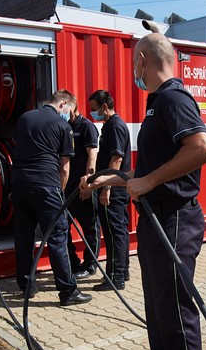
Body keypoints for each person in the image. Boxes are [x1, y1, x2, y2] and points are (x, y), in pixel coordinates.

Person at [83, 32, 206, 350]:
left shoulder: (174, 99)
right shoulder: (157, 103)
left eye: (132, 63)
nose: (132, 71)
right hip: (157, 220)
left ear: (142, 60)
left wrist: (150, 180)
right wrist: (115, 178)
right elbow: (147, 175)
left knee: (176, 312)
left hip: (175, 221)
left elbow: (202, 149)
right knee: (157, 310)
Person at [11, 90, 92, 307]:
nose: (70, 114)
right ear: (63, 103)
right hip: (46, 185)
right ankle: (68, 291)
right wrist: (61, 193)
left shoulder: (25, 118)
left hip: (19, 184)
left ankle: (27, 285)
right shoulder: (63, 126)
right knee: (58, 236)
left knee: (24, 236)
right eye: (70, 110)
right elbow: (64, 167)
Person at [88, 89, 132, 290]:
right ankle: (123, 271)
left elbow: (116, 159)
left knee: (114, 233)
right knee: (119, 230)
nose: (92, 114)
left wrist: (106, 188)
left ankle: (115, 277)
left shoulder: (115, 126)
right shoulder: (110, 126)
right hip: (115, 188)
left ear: (105, 107)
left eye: (94, 109)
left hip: (113, 190)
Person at [65, 100, 100, 279]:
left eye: (65, 108)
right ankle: (73, 263)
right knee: (63, 227)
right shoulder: (64, 126)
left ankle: (90, 264)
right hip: (66, 187)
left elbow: (92, 156)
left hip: (82, 186)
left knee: (90, 227)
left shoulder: (86, 127)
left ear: (73, 106)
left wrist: (88, 183)